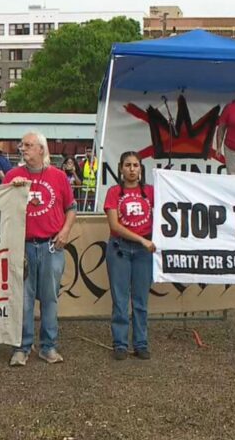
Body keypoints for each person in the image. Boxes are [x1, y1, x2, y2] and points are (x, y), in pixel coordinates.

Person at [6, 131, 77, 367]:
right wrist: (11, 192)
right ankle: (22, 346)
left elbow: (71, 207)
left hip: (51, 245)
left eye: (28, 145)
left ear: (41, 150)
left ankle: (48, 346)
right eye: (22, 145)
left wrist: (65, 231)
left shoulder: (58, 177)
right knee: (23, 300)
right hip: (23, 246)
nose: (22, 148)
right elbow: (1, 209)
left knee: (50, 298)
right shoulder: (12, 176)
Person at [104, 151, 156, 360]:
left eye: (136, 165)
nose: (132, 169)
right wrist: (141, 239)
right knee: (120, 298)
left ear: (141, 169)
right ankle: (120, 343)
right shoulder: (114, 192)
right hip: (120, 248)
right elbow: (114, 225)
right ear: (120, 168)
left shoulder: (151, 192)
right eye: (128, 165)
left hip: (144, 251)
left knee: (141, 300)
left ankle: (141, 343)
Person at [80, 146, 98, 210]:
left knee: (94, 206)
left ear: (94, 153)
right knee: (83, 207)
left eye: (90, 151)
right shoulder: (83, 163)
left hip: (94, 188)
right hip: (85, 189)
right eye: (87, 152)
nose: (88, 153)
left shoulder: (98, 162)